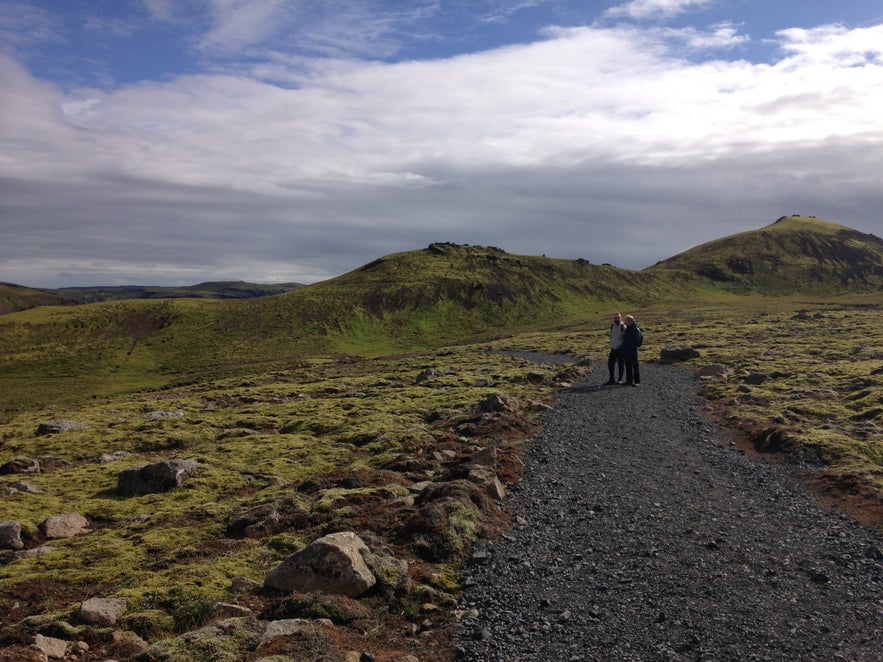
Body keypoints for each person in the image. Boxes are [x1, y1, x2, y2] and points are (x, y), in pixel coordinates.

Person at [621, 314, 642, 386]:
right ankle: (629, 381)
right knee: (628, 366)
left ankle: (637, 382)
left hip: (632, 351)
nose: (624, 322)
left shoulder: (635, 329)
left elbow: (638, 340)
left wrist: (631, 348)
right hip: (627, 351)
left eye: (625, 320)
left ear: (629, 321)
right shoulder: (628, 328)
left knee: (635, 366)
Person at [605, 312, 625, 385]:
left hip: (620, 349)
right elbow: (611, 336)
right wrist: (611, 343)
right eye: (615, 318)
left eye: (618, 318)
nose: (617, 319)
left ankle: (620, 379)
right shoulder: (612, 326)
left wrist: (620, 345)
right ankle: (611, 379)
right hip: (613, 348)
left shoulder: (623, 327)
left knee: (621, 364)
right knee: (610, 363)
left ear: (621, 318)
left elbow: (625, 338)